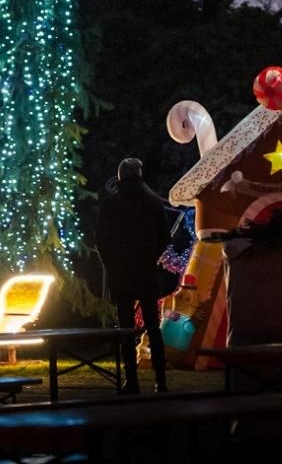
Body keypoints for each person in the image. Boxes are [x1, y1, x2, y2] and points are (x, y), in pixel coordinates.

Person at [96, 157, 171, 393]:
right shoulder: (152, 203)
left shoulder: (110, 205)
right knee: (153, 327)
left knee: (126, 329)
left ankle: (132, 381)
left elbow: (101, 240)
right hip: (146, 272)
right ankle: (161, 380)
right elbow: (165, 238)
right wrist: (150, 257)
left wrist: (111, 263)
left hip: (121, 273)